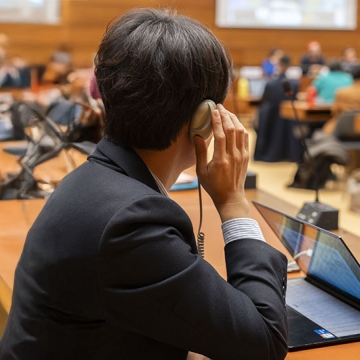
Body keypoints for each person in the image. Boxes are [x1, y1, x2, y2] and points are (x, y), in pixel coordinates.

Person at [0, 8, 288, 360]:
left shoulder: (95, 181)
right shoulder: (131, 225)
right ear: (204, 119)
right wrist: (233, 203)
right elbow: (264, 342)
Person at [254, 54, 304, 162]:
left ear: (279, 65)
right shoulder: (295, 84)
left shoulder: (270, 84)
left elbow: (264, 100)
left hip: (271, 119)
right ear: (289, 66)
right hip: (289, 120)